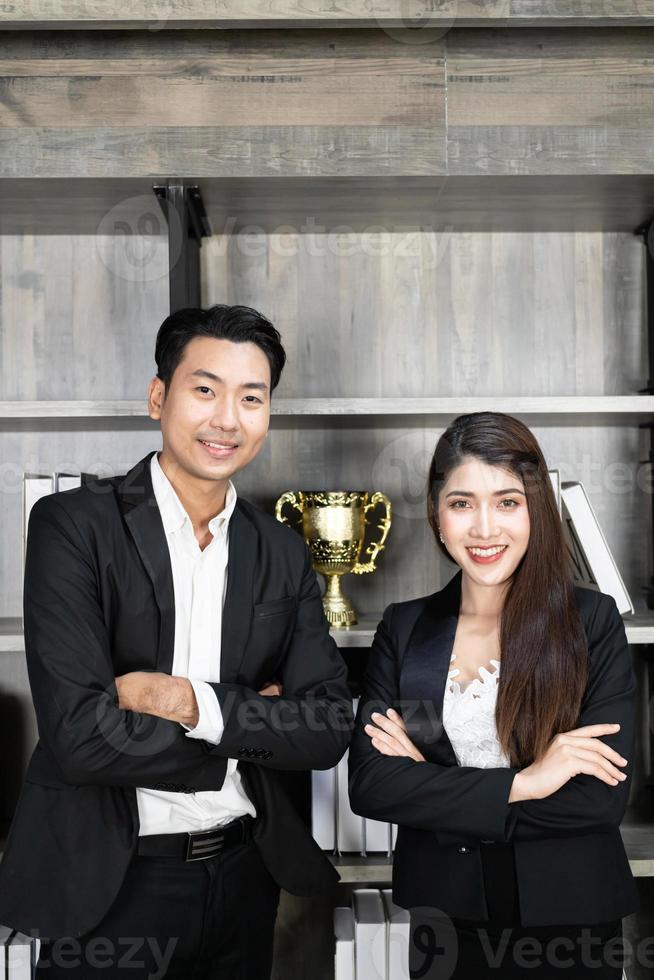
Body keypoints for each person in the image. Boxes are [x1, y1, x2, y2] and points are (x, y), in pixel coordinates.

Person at [0, 304, 353, 978]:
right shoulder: (73, 527)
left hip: (245, 874)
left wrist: (188, 703)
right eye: (205, 389)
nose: (227, 418)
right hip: (112, 883)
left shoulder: (278, 549)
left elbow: (329, 727)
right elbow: (78, 736)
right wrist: (248, 728)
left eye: (252, 398)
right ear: (159, 396)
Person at [348, 411, 638, 979]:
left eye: (507, 502)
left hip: (571, 923)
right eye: (462, 504)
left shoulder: (590, 621)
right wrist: (527, 782)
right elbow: (373, 786)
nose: (484, 529)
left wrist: (431, 792)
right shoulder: (405, 629)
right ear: (437, 515)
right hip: (447, 927)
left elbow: (596, 800)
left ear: (536, 511)